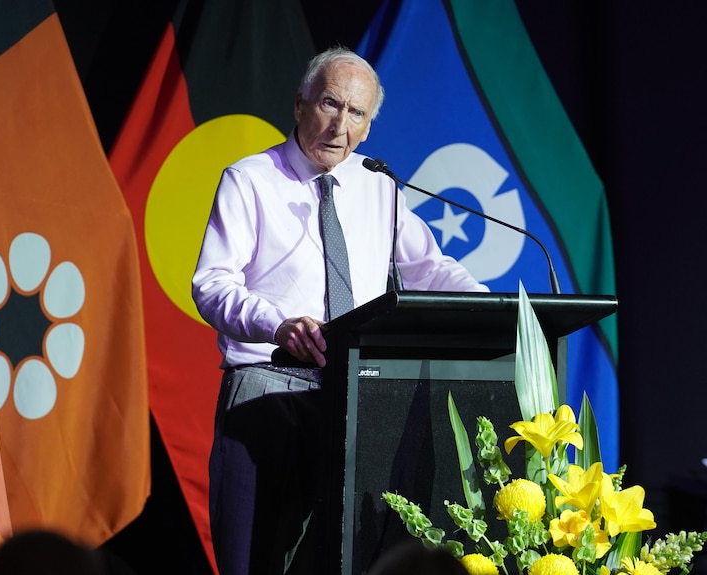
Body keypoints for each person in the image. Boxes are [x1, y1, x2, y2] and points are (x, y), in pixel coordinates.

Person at [192, 46, 488, 575]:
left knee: (346, 557)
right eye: (330, 103)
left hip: (359, 394)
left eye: (357, 113)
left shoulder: (380, 188)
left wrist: (492, 308)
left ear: (369, 127)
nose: (340, 125)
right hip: (269, 386)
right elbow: (211, 284)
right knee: (254, 560)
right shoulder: (251, 179)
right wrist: (276, 324)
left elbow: (430, 269)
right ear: (300, 104)